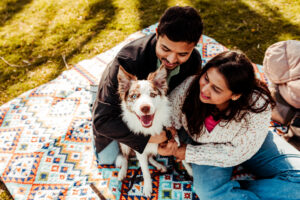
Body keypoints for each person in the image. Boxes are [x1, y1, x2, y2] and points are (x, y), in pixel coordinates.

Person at [165, 50, 300, 200]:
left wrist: (189, 153)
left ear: (235, 95)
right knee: (209, 193)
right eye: (206, 78)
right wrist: (171, 137)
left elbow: (238, 152)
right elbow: (168, 116)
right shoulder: (189, 88)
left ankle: (234, 190)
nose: (204, 89)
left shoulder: (258, 104)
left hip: (250, 143)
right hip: (204, 145)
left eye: (216, 89)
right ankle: (226, 191)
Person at [92, 6, 203, 164]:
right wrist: (150, 138)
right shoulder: (127, 61)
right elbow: (101, 122)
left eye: (182, 54)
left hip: (159, 113)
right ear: (157, 32)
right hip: (122, 107)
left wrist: (171, 132)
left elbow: (187, 100)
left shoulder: (194, 61)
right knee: (107, 159)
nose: (171, 60)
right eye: (165, 48)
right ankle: (100, 94)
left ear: (195, 45)